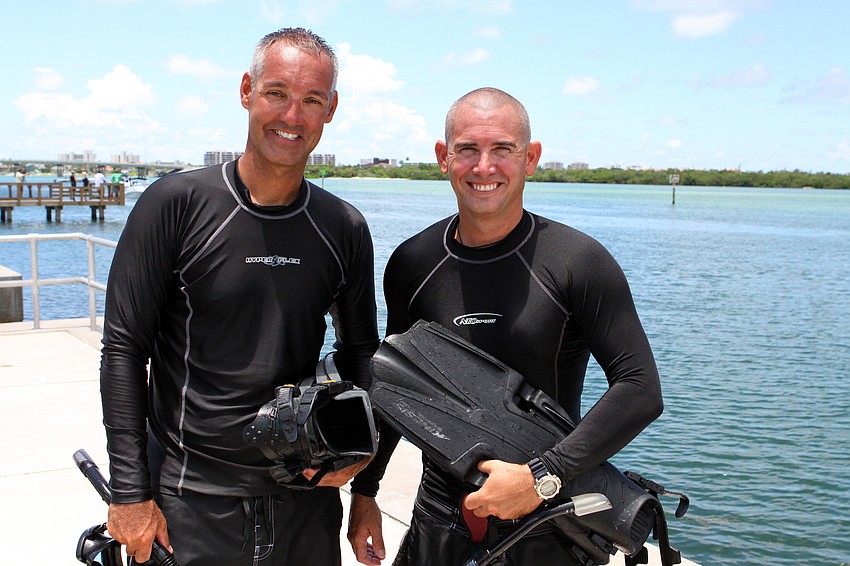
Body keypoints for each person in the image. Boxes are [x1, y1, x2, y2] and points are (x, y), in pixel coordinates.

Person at [347, 88, 663, 565]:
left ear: (531, 158)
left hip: (546, 518)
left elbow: (641, 389)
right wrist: (365, 492)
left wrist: (541, 476)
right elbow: (398, 389)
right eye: (468, 149)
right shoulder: (414, 262)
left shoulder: (576, 261)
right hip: (440, 515)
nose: (484, 167)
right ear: (443, 157)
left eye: (503, 149)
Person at [100, 27, 379, 565]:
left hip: (306, 499)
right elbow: (124, 351)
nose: (292, 116)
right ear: (247, 90)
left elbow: (362, 355)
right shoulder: (174, 204)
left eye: (311, 100)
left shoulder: (342, 226)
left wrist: (361, 472)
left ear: (331, 109)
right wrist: (130, 492)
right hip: (189, 500)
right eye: (277, 93)